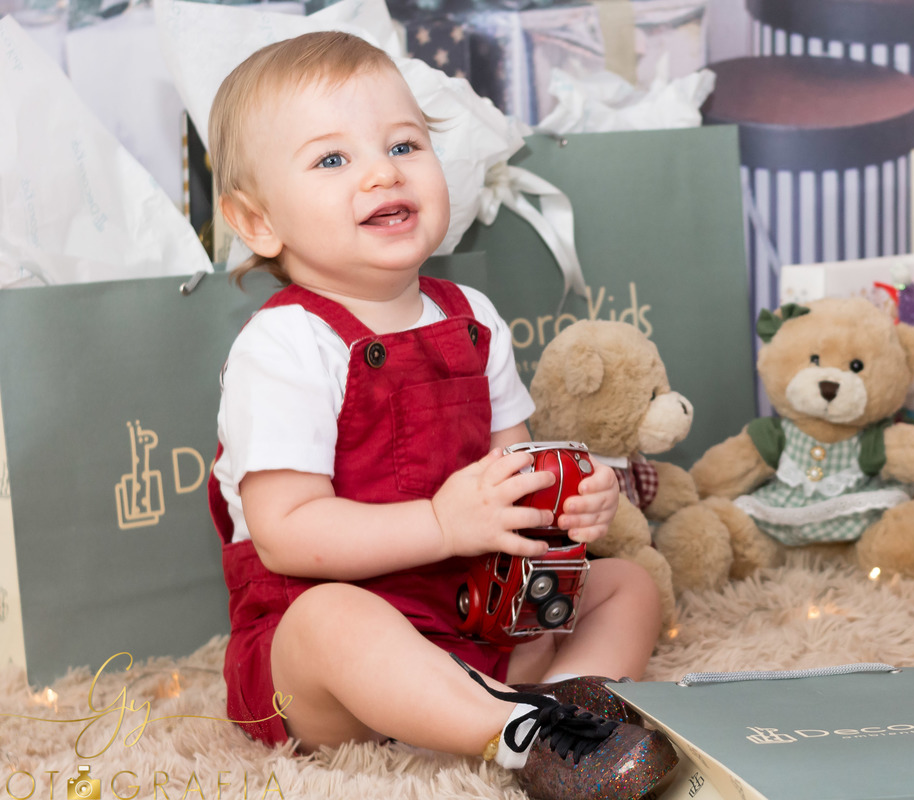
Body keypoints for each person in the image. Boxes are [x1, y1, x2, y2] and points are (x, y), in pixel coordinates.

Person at [204, 30, 675, 800]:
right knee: (331, 622)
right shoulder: (285, 343)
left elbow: (516, 479)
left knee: (627, 586)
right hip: (332, 662)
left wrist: (572, 505)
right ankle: (516, 729)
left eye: (404, 145)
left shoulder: (472, 317)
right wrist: (440, 524)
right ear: (257, 222)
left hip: (473, 613)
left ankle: (562, 714)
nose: (382, 172)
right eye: (332, 160)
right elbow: (286, 533)